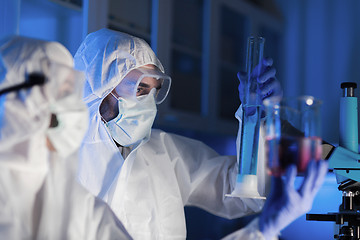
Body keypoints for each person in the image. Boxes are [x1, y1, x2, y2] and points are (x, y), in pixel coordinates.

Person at [74, 28, 327, 240]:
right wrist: (262, 230)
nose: (149, 102)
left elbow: (243, 192)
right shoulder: (60, 165)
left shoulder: (165, 153)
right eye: (140, 88)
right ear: (99, 88)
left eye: (154, 90)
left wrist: (254, 114)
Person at [0, 35, 132, 239]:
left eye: (69, 93)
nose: (70, 108)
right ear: (10, 101)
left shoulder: (82, 210)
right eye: (58, 92)